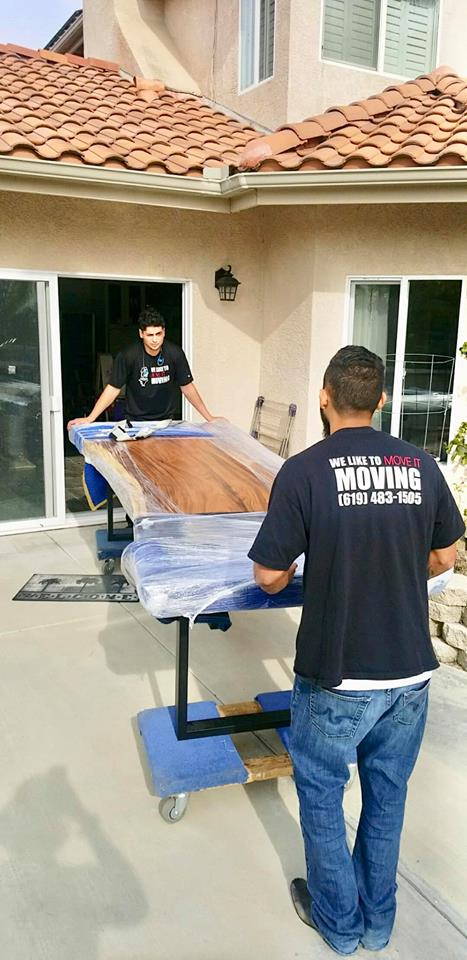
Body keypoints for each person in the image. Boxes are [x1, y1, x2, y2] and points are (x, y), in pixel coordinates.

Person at [248, 345, 465, 956]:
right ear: (382, 401)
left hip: (337, 676)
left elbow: (267, 576)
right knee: (386, 798)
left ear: (323, 397)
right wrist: (395, 567)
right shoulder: (421, 465)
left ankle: (339, 927)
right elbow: (446, 555)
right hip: (411, 677)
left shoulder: (306, 471)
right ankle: (378, 924)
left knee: (321, 794)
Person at [67, 306, 216, 429]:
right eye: (150, 335)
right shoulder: (128, 356)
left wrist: (209, 417)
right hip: (135, 423)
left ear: (164, 332)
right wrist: (90, 418)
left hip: (166, 423)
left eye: (158, 334)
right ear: (141, 334)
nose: (155, 339)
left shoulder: (175, 353)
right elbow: (113, 388)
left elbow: (187, 386)